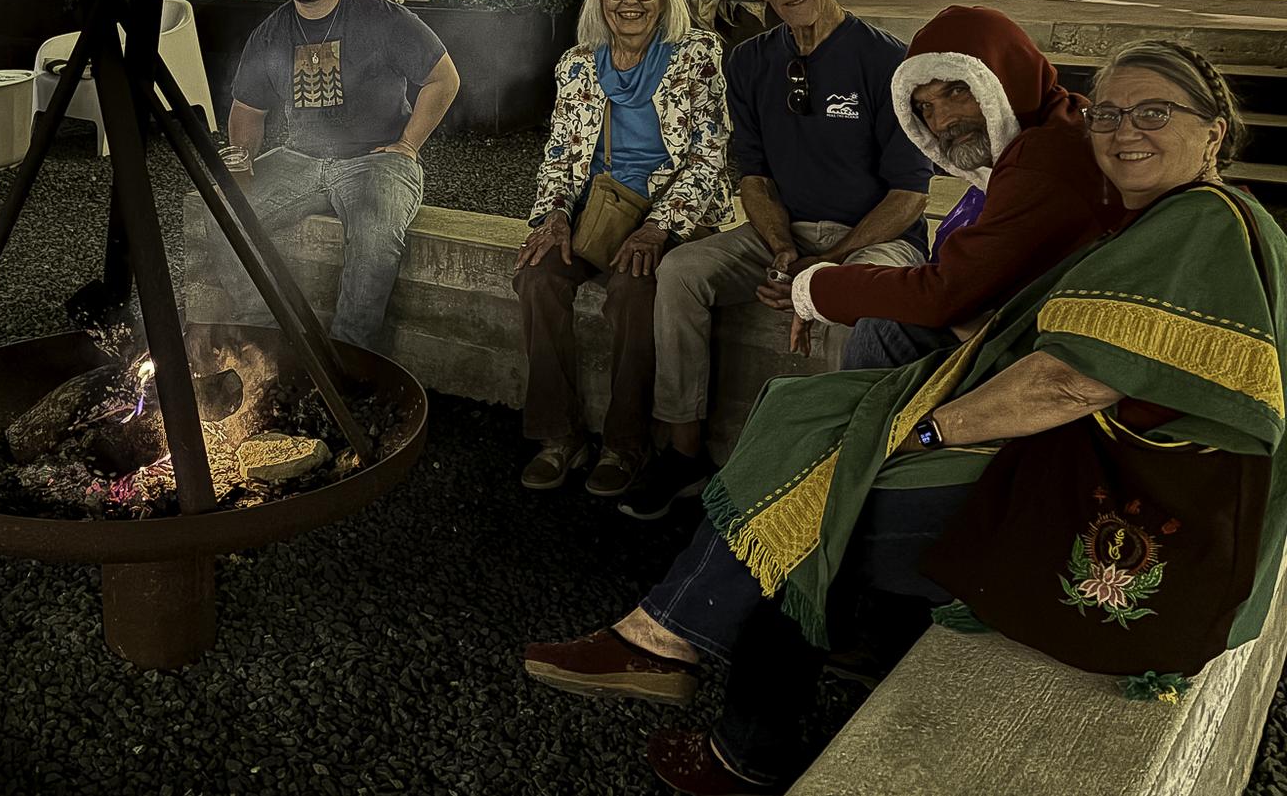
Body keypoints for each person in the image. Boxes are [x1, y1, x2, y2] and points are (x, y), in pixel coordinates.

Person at [523, 40, 1284, 796]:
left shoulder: (1199, 223)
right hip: (1116, 468)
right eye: (1108, 114)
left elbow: (1066, 383)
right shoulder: (1199, 213)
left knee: (817, 510)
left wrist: (927, 429)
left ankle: (730, 733)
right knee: (827, 429)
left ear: (1213, 130)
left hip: (1124, 505)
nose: (1122, 132)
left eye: (1153, 113)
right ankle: (690, 641)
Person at [608, 0, 934, 523]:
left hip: (873, 239)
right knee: (681, 272)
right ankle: (683, 452)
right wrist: (784, 249)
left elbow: (908, 197)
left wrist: (825, 265)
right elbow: (752, 177)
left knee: (858, 298)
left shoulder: (888, 62)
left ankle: (838, 469)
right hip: (783, 232)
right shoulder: (750, 61)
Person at [512, 0, 733, 496]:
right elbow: (559, 157)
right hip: (597, 215)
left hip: (670, 215)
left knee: (636, 289)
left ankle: (626, 443)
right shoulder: (576, 65)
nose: (629, 1)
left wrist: (660, 227)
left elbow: (709, 156)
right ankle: (558, 434)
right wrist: (553, 216)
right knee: (537, 276)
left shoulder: (697, 56)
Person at [788, 5, 1123, 369]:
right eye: (925, 107)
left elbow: (943, 295)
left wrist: (814, 288)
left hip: (1078, 352)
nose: (943, 120)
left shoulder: (1042, 158)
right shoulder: (1060, 121)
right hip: (1050, 322)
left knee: (883, 329)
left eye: (957, 91)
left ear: (1006, 77)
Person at [215, 0, 460, 352]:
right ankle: (268, 345)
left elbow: (443, 78)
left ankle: (349, 360)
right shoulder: (270, 34)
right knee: (224, 217)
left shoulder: (381, 18)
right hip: (299, 158)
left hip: (375, 159)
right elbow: (248, 109)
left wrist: (408, 144)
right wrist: (243, 162)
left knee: (374, 240)